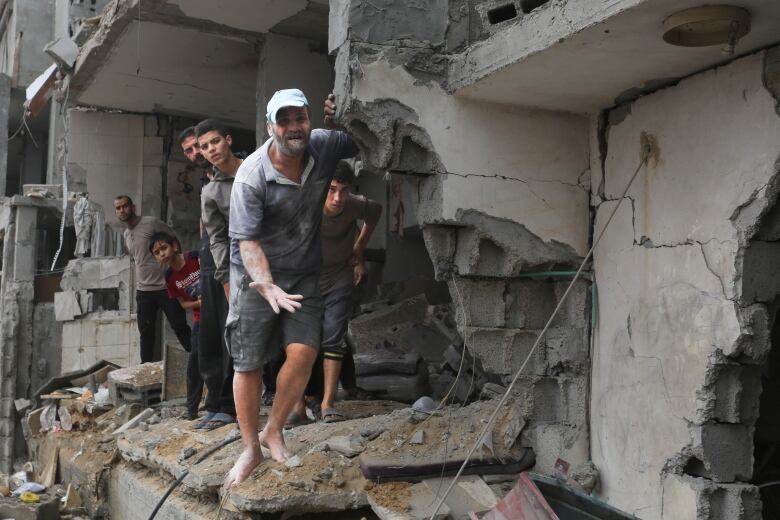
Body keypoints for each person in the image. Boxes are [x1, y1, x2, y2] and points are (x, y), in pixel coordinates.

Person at [223, 89, 357, 488]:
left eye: (300, 118)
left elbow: (366, 133)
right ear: (270, 127)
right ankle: (250, 447)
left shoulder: (323, 146)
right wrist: (266, 286)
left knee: (303, 353)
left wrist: (342, 114)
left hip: (302, 274)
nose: (294, 127)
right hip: (253, 275)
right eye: (284, 121)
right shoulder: (251, 175)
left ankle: (274, 430)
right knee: (247, 364)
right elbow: (247, 242)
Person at [314, 164, 381, 423]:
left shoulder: (353, 204)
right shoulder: (307, 202)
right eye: (331, 190)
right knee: (305, 341)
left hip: (339, 276)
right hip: (307, 280)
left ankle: (328, 404)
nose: (338, 198)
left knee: (333, 338)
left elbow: (375, 211)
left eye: (344, 190)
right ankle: (299, 403)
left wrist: (360, 248)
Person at [193, 118, 244, 429]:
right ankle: (219, 405)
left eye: (214, 142)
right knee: (215, 336)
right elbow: (217, 237)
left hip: (270, 261)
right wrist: (225, 278)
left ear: (228, 140)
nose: (211, 149)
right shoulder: (211, 192)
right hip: (227, 266)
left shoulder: (257, 168)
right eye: (204, 146)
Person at [114, 195, 191, 362]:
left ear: (132, 207)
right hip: (144, 291)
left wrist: (178, 268)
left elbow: (172, 239)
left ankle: (198, 359)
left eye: (125, 206)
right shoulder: (126, 234)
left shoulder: (151, 222)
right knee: (146, 332)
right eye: (118, 208)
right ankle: (145, 370)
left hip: (165, 287)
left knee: (180, 327)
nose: (122, 210)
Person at [149, 231, 203, 421]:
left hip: (220, 313)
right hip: (199, 318)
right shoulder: (170, 277)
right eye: (157, 252)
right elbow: (183, 304)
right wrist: (199, 304)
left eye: (164, 248)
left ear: (174, 246)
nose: (162, 253)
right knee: (195, 363)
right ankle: (192, 410)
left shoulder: (196, 258)